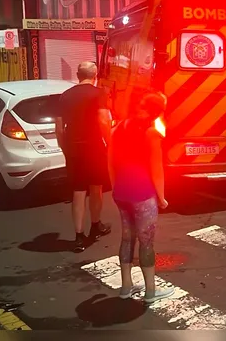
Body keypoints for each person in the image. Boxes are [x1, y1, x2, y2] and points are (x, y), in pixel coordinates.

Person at [108, 93, 174, 304]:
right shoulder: (151, 133)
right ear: (158, 112)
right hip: (143, 194)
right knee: (146, 242)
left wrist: (115, 187)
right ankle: (151, 291)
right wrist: (162, 197)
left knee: (127, 238)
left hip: (121, 192)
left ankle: (126, 287)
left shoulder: (117, 128)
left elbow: (110, 162)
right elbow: (157, 169)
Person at [55, 61, 112, 253]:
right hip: (94, 146)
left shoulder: (65, 96)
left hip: (73, 147)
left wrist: (65, 150)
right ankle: (96, 226)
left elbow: (59, 128)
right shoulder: (98, 93)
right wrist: (110, 144)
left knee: (78, 192)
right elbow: (104, 120)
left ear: (78, 75)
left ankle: (78, 237)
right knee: (96, 188)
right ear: (95, 74)